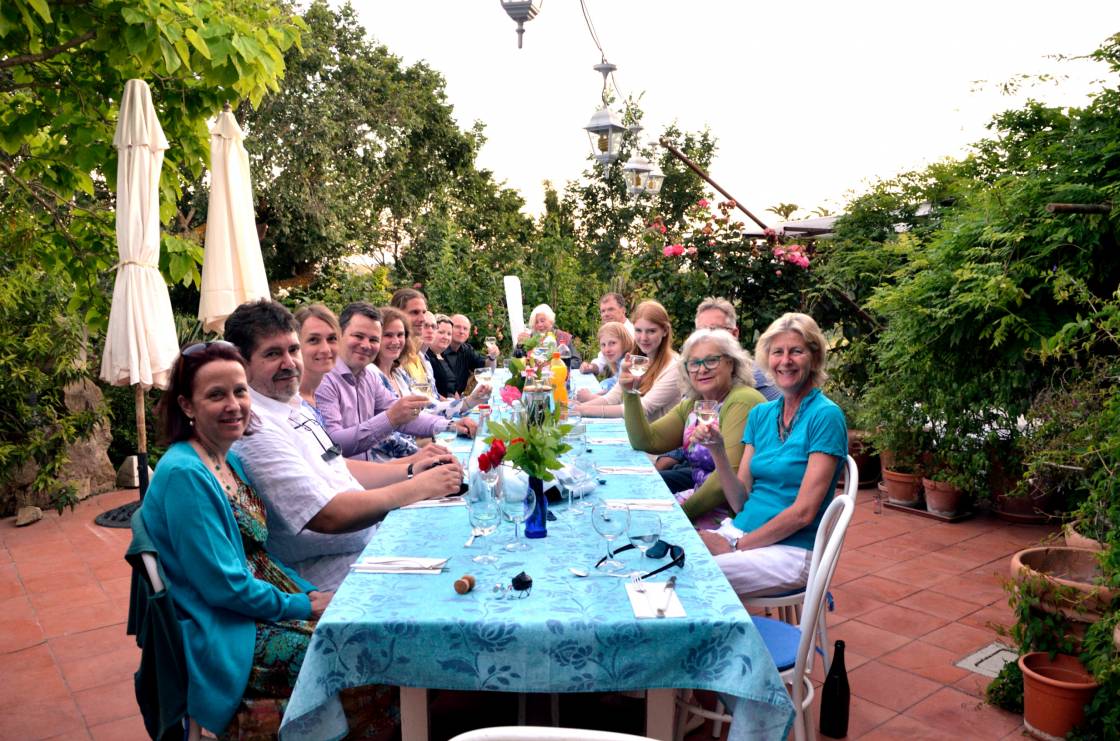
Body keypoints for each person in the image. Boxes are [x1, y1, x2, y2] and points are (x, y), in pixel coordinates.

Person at [139, 340, 331, 735]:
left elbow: (257, 554)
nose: (234, 404)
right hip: (224, 634)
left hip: (251, 608)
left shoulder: (229, 458)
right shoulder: (186, 475)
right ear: (187, 406)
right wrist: (301, 606)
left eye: (240, 391)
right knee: (344, 652)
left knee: (348, 627)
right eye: (216, 395)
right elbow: (223, 587)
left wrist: (311, 594)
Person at [226, 300, 463, 590]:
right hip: (336, 575)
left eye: (292, 350)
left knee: (461, 543)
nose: (289, 363)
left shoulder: (291, 404)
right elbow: (327, 515)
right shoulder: (256, 427)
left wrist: (413, 469)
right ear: (241, 360)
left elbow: (337, 463)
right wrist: (417, 488)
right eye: (273, 354)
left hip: (370, 542)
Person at [693, 312, 847, 597]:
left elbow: (803, 513)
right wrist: (718, 451)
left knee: (691, 576)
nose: (785, 361)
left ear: (814, 358)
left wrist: (738, 546)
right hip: (743, 533)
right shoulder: (761, 415)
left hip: (792, 550)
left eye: (796, 351)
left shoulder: (826, 416)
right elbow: (740, 502)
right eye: (778, 352)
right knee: (664, 555)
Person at [623, 329, 766, 528]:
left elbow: (721, 485)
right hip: (698, 505)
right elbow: (646, 441)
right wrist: (630, 392)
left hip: (729, 520)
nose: (702, 369)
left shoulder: (742, 400)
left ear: (731, 363)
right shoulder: (695, 403)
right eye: (694, 363)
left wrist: (680, 515)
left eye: (711, 360)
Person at [316, 302, 476, 462]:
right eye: (358, 336)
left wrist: (450, 426)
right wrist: (391, 420)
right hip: (357, 479)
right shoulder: (325, 378)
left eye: (373, 339)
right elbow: (332, 447)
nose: (366, 345)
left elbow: (406, 417)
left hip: (376, 472)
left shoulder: (368, 376)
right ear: (339, 334)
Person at [372, 306, 488, 422]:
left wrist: (470, 401)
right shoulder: (385, 370)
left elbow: (430, 405)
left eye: (400, 335)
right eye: (388, 335)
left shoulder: (415, 363)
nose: (396, 341)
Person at [572, 300, 682, 421]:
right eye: (638, 330)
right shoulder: (637, 360)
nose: (643, 338)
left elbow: (642, 408)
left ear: (665, 331)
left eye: (651, 331)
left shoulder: (674, 367)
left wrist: (583, 410)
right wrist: (575, 407)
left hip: (660, 438)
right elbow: (613, 397)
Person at [694, 297, 780, 401]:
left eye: (714, 330)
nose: (706, 338)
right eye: (700, 332)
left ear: (734, 334)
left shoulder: (757, 376)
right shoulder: (696, 374)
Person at [574, 321, 634, 401]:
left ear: (625, 342)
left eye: (612, 343)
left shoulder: (626, 363)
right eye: (603, 345)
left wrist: (590, 397)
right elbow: (614, 386)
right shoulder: (618, 360)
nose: (607, 350)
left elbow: (620, 401)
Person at [580, 292, 635, 374]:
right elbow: (601, 361)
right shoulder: (609, 332)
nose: (605, 314)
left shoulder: (632, 334)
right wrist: (590, 367)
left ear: (623, 310)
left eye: (610, 309)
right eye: (603, 311)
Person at [389, 287, 431, 385]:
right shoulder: (392, 356)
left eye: (424, 312)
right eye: (415, 312)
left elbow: (433, 396)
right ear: (397, 313)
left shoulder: (420, 356)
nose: (422, 319)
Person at [427, 314, 459, 398]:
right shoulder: (426, 357)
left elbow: (452, 387)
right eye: (441, 332)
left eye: (449, 334)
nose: (446, 337)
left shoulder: (443, 355)